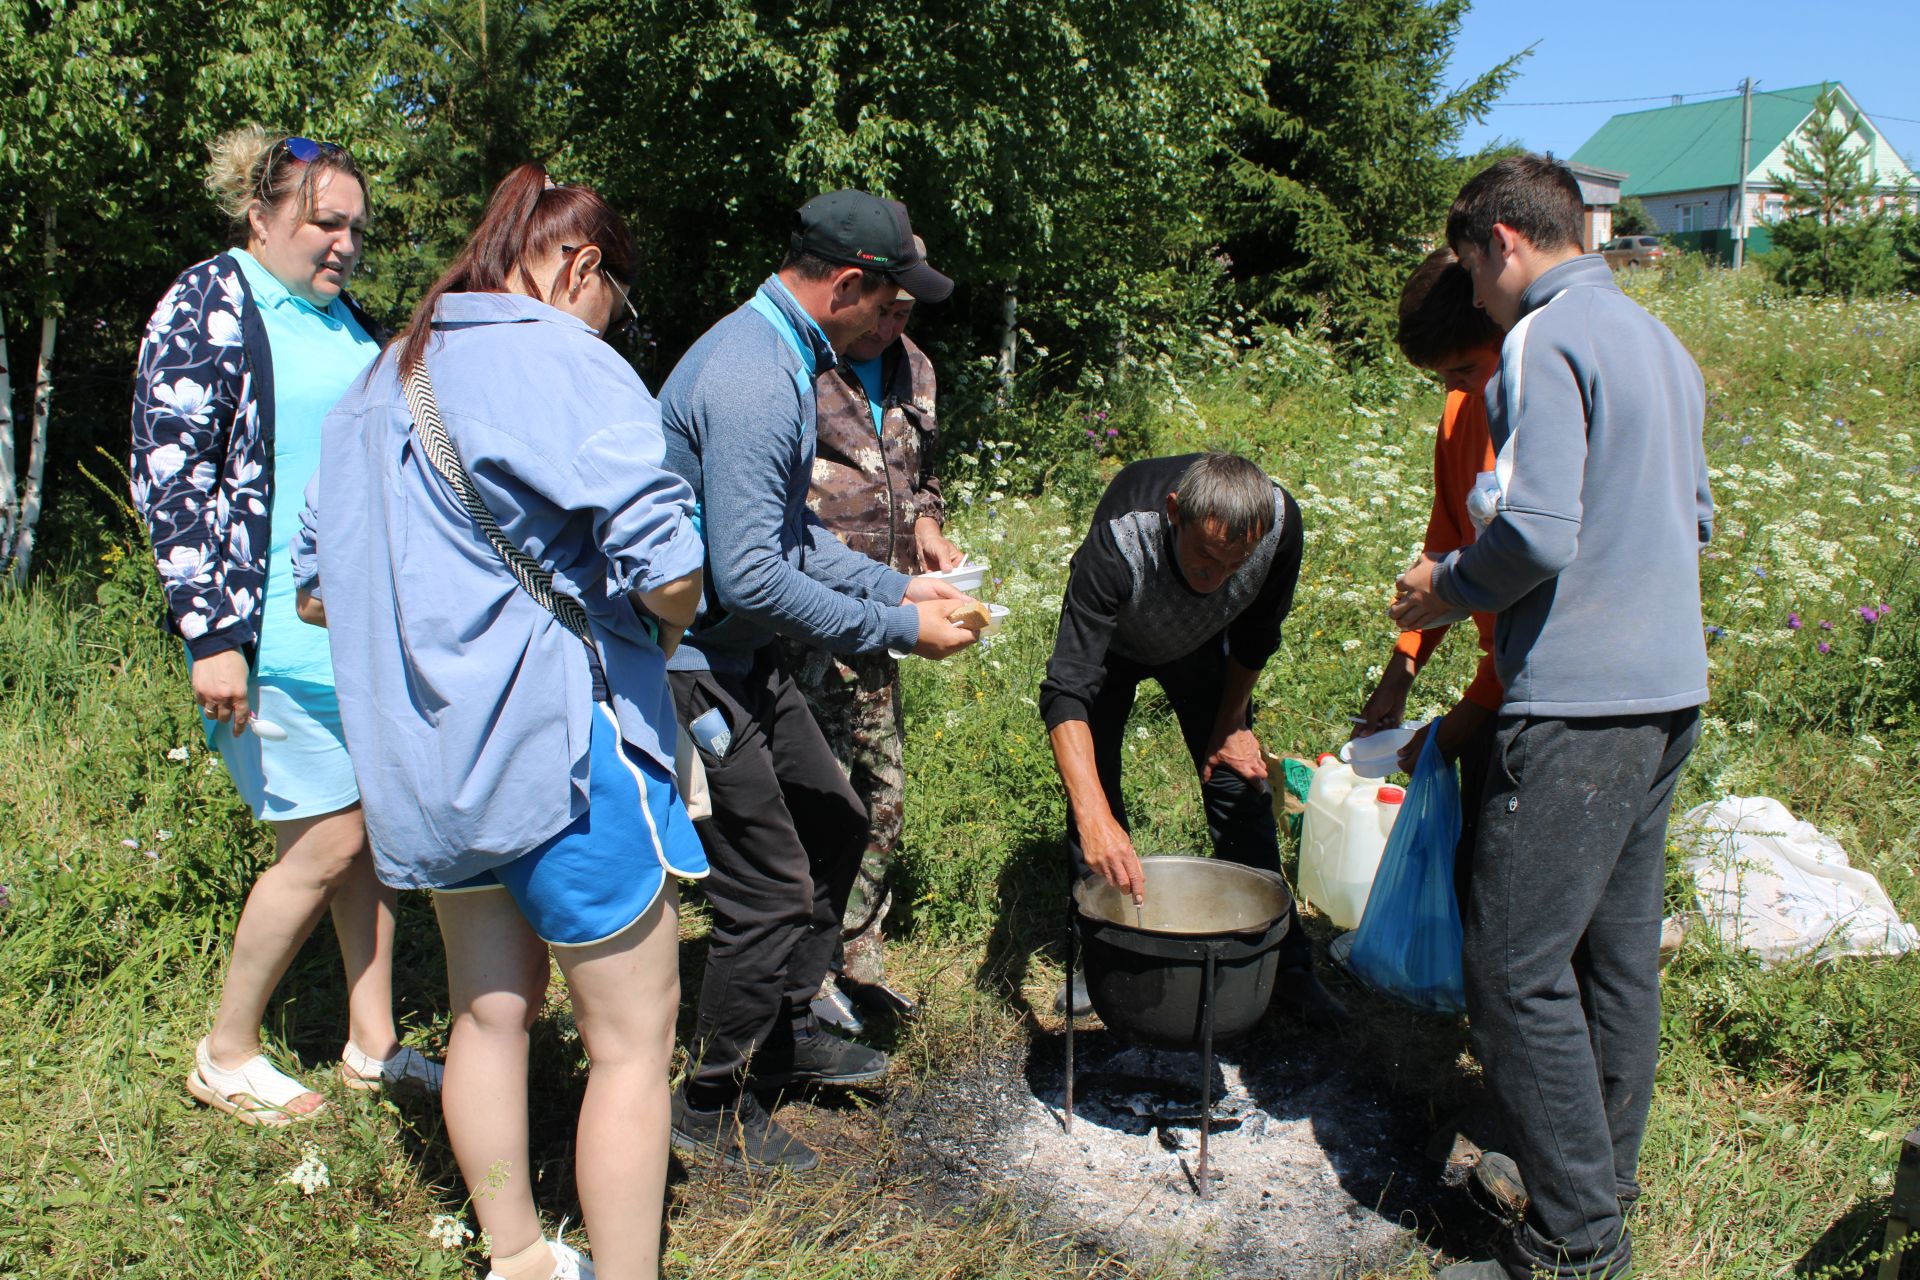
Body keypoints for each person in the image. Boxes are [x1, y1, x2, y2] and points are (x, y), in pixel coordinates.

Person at [294, 163, 705, 1280]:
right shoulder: (564, 355)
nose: (611, 317)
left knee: (487, 1013)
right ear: (581, 267)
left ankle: (517, 1254)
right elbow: (672, 568)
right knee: (630, 1042)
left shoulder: (374, 380)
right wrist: (665, 611)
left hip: (425, 765)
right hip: (562, 751)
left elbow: (316, 586)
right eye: (614, 293)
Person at [1389, 154, 1710, 1280]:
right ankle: (1599, 1187)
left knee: (1515, 969)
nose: (1472, 296)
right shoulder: (1661, 344)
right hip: (1671, 692)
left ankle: (1576, 1241)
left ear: (1501, 243)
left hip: (1576, 703)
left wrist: (1444, 587)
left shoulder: (1541, 337)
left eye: (1472, 271)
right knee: (1617, 963)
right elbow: (1697, 514)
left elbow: (1536, 532)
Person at [659, 190, 979, 1172]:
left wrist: (900, 582)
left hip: (744, 656)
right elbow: (751, 573)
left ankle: (788, 1029)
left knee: (835, 822)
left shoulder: (788, 353)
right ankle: (710, 1101)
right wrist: (898, 627)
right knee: (768, 885)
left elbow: (791, 539)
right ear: (845, 284)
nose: (897, 321)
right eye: (888, 300)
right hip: (700, 669)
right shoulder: (755, 375)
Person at [130, 125, 440, 1128]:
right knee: (329, 837)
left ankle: (372, 1041)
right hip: (264, 635)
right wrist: (208, 632)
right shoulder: (211, 302)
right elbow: (172, 476)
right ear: (261, 214)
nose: (346, 243)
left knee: (374, 841)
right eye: (325, 222)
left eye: (356, 225)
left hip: (354, 634)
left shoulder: (350, 321)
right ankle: (225, 1050)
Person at [1040, 452, 1348, 1026]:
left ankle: (1285, 968)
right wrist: (1094, 815)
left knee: (1238, 783)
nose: (1217, 578)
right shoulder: (1121, 539)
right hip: (1115, 644)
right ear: (1175, 513)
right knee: (1095, 800)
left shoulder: (1279, 524)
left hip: (1203, 646)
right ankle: (1105, 959)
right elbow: (1067, 688)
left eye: (1237, 563)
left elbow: (1257, 633)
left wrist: (1231, 724)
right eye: (1206, 557)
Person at [779, 236, 960, 1032]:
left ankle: (858, 949)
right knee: (812, 797)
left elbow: (921, 472)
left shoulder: (917, 368)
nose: (891, 324)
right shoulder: (806, 362)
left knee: (881, 793)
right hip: (805, 615)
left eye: (905, 311)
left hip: (887, 614)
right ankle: (798, 970)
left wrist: (927, 523)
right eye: (883, 307)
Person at [1354, 247, 1505, 907]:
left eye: (1464, 369)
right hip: (1496, 686)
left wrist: (1456, 727)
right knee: (1479, 862)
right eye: (1441, 376)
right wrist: (1400, 675)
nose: (1453, 388)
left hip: (1524, 688)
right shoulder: (1458, 410)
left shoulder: (1528, 417)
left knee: (1510, 885)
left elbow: (1527, 588)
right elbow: (1446, 548)